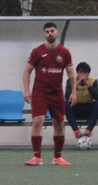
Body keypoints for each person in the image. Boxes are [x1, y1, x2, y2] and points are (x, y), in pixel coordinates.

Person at [23, 21, 76, 166]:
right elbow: (27, 72)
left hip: (57, 93)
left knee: (58, 123)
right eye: (47, 31)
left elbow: (71, 74)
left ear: (57, 32)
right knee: (37, 121)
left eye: (52, 31)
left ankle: (57, 158)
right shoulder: (37, 51)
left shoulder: (64, 52)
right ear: (44, 34)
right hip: (40, 92)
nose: (50, 34)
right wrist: (26, 91)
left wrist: (73, 92)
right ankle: (37, 157)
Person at [64, 62, 98, 140]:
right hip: (75, 108)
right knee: (66, 104)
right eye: (80, 72)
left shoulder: (93, 81)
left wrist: (88, 85)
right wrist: (76, 85)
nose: (82, 74)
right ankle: (76, 131)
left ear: (88, 74)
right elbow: (67, 96)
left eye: (85, 72)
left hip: (88, 108)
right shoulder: (71, 80)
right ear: (77, 73)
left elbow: (97, 97)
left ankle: (89, 130)